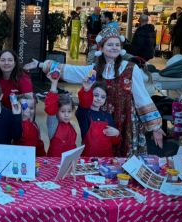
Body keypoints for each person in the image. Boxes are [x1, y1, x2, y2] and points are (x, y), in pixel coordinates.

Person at [25, 24, 164, 156]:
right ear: (101, 48)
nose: (114, 48)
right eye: (109, 44)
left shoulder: (131, 69)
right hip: (100, 122)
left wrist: (155, 127)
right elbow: (70, 71)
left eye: (117, 45)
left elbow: (142, 98)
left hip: (125, 121)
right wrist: (41, 64)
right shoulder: (94, 70)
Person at [77, 80, 120, 157]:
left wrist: (117, 134)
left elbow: (115, 141)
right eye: (96, 95)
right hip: (88, 159)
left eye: (103, 97)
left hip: (106, 158)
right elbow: (83, 103)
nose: (99, 99)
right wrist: (86, 90)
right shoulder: (84, 114)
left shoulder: (108, 116)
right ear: (90, 95)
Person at [44, 72, 78, 157]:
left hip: (69, 163)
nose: (66, 115)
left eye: (69, 111)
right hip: (54, 164)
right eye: (63, 111)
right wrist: (54, 83)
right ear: (56, 111)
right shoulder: (53, 124)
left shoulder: (72, 125)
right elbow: (51, 106)